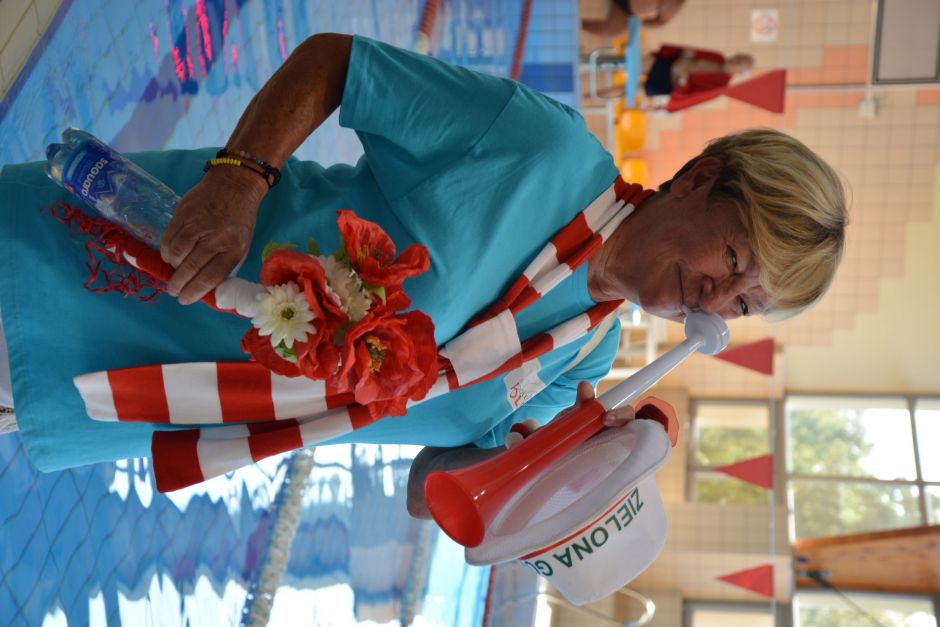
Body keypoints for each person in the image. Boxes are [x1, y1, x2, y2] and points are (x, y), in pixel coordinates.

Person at [0, 34, 846, 510]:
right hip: (87, 269)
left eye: (746, 302)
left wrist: (553, 474)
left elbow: (427, 487)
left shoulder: (581, 363)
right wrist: (239, 179)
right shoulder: (542, 151)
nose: (717, 297)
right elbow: (338, 65)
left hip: (110, 394)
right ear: (699, 180)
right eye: (733, 257)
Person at [644, 44, 755, 98]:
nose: (734, 60)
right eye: (737, 57)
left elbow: (691, 95)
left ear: (739, 73)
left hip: (669, 83)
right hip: (667, 64)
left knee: (636, 89)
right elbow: (692, 52)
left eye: (738, 62)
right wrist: (687, 55)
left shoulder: (721, 85)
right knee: (641, 63)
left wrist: (682, 77)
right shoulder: (718, 56)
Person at [582, 0, 686, 36]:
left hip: (624, 8)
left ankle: (578, 24)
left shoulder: (676, 3)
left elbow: (661, 22)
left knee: (613, 30)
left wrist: (640, 23)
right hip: (627, 7)